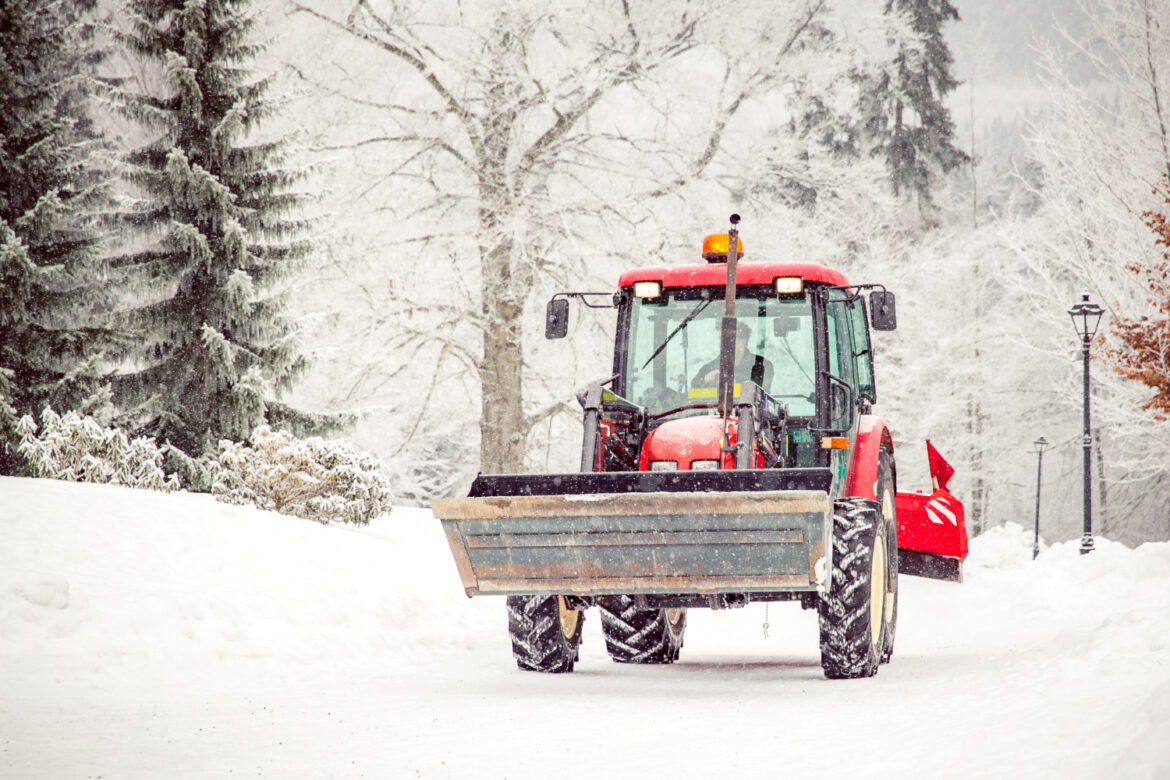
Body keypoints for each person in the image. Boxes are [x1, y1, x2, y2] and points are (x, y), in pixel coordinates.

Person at [692, 319, 773, 390]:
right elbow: (693, 387)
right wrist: (705, 380)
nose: (722, 343)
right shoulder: (709, 368)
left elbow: (760, 389)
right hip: (716, 407)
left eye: (727, 339)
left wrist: (730, 379)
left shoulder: (762, 365)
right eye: (720, 338)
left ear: (743, 342)